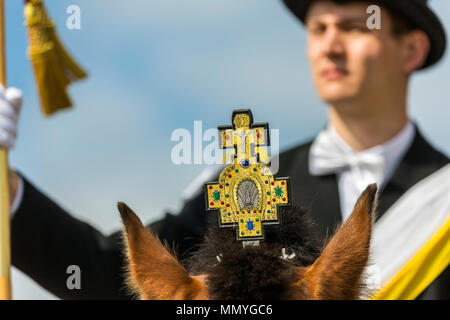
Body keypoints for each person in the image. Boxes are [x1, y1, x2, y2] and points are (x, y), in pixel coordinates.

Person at [3, 0, 449, 299]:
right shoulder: (247, 183)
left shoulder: (444, 198)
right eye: (319, 28)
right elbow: (108, 279)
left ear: (411, 49)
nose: (330, 45)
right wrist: (5, 187)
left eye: (353, 27)